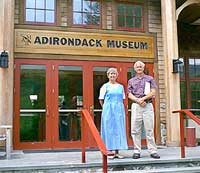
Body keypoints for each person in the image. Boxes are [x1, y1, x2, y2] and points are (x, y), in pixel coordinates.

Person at [127, 61, 160, 159]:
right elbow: (129, 94)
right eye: (137, 66)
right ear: (135, 68)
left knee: (149, 129)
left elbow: (153, 91)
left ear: (143, 67)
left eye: (140, 66)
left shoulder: (150, 79)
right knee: (135, 130)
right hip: (136, 106)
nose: (139, 68)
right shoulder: (131, 81)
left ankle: (153, 151)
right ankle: (137, 151)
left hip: (148, 106)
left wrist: (143, 99)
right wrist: (138, 100)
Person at [99, 67, 128, 159]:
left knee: (118, 129)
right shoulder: (105, 86)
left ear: (117, 75)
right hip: (108, 109)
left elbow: (123, 98)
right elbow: (101, 99)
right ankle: (109, 151)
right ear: (108, 75)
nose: (112, 75)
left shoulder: (120, 87)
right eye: (111, 74)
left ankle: (117, 151)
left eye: (114, 73)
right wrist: (105, 108)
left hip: (119, 109)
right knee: (109, 129)